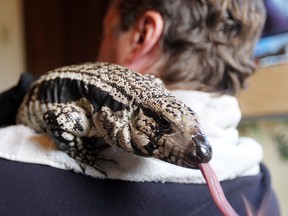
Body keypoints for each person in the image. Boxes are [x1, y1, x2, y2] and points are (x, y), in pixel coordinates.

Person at [0, 0, 281, 215]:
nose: (101, 46)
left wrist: (81, 151)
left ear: (142, 35)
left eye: (105, 33)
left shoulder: (11, 180)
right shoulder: (263, 189)